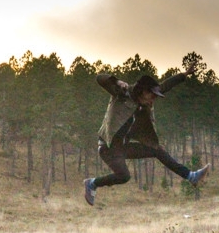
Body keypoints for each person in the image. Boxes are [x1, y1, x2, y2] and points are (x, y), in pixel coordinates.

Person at [84, 71, 208, 205]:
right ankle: (92, 183)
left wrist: (183, 75)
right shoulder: (122, 94)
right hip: (108, 148)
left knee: (157, 150)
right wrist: (117, 81)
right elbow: (99, 78)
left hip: (124, 147)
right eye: (152, 96)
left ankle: (191, 176)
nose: (153, 100)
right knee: (124, 176)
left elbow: (165, 86)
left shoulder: (143, 103)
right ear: (143, 91)